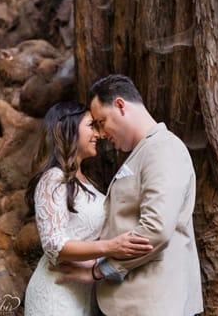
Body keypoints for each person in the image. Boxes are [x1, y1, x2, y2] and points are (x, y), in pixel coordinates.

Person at [56, 75, 204, 316]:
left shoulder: (162, 149)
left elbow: (155, 228)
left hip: (154, 303)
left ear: (120, 105)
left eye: (101, 122)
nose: (101, 134)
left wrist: (100, 270)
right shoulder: (144, 151)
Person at [24, 100, 152, 316]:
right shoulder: (53, 178)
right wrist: (111, 247)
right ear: (68, 129)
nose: (99, 134)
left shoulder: (85, 180)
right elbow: (54, 245)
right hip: (56, 294)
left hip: (82, 291)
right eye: (91, 126)